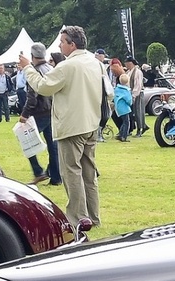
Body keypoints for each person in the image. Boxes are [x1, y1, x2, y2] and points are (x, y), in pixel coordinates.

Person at [21, 25, 103, 226]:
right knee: (89, 174)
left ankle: (78, 218)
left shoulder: (67, 66)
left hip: (72, 126)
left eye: (62, 42)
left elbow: (43, 87)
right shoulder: (94, 63)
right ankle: (93, 216)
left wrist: (27, 68)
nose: (59, 45)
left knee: (72, 172)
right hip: (91, 123)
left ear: (71, 44)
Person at [20, 43, 61, 186]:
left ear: (32, 56)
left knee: (26, 140)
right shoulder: (51, 68)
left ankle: (38, 171)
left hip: (39, 112)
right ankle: (56, 177)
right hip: (52, 111)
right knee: (53, 145)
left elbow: (32, 96)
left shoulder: (34, 71)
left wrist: (25, 114)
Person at [128, 59, 147, 136]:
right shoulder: (129, 72)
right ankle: (143, 126)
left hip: (138, 94)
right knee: (133, 113)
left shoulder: (138, 72)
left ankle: (140, 128)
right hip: (132, 93)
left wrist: (134, 95)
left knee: (138, 112)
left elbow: (138, 85)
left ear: (130, 63)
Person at [114, 73, 133, 141]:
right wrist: (130, 103)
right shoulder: (126, 90)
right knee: (127, 123)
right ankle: (123, 136)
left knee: (124, 122)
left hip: (118, 108)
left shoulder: (116, 89)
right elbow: (129, 100)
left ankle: (120, 134)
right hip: (124, 108)